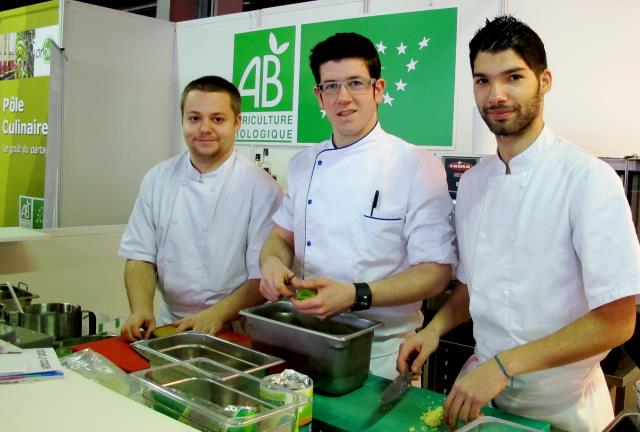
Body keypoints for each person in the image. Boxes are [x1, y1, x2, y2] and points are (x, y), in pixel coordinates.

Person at [397, 16, 640, 431]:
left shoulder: (587, 179)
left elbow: (618, 319)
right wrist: (434, 328)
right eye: (482, 81)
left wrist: (504, 367)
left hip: (564, 407)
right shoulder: (474, 184)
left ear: (544, 81)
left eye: (513, 77)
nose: (496, 95)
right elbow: (475, 286)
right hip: (486, 398)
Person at [259, 32, 457, 379]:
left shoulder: (415, 165)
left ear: (378, 89)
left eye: (355, 83)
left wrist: (355, 295)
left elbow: (436, 273)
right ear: (318, 96)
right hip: (304, 339)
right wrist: (272, 265)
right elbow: (279, 238)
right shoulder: (304, 163)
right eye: (331, 86)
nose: (343, 97)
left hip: (381, 353)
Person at [119, 75, 282, 341]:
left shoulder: (261, 188)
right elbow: (140, 255)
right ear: (182, 120)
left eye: (217, 119)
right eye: (194, 118)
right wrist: (140, 309)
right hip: (168, 323)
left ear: (237, 122)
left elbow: (260, 278)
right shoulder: (158, 178)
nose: (204, 128)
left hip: (233, 326)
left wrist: (215, 315)